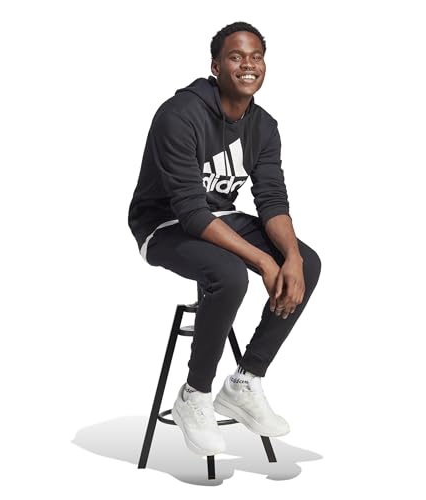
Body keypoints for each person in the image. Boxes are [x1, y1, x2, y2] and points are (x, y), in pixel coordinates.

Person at [128, 21, 321, 456]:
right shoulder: (179, 115)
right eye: (236, 57)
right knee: (230, 275)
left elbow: (272, 201)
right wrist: (264, 261)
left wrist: (289, 256)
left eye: (256, 56)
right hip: (163, 224)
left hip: (220, 217)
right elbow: (191, 212)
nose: (247, 65)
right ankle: (194, 395)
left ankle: (245, 382)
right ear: (216, 66)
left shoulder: (264, 126)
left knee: (307, 263)